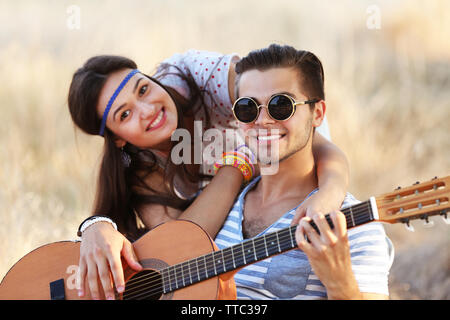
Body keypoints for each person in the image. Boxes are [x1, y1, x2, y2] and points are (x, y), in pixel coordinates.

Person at [67, 48, 350, 300]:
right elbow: (181, 248)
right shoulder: (140, 173)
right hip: (240, 224)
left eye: (143, 90)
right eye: (124, 115)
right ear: (117, 139)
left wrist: (329, 193)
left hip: (292, 183)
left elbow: (307, 134)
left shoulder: (198, 75)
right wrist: (97, 225)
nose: (148, 110)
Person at [214, 44, 393, 300]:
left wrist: (340, 285)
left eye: (280, 105)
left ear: (317, 113)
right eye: (248, 108)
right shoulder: (223, 204)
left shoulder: (354, 225)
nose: (263, 120)